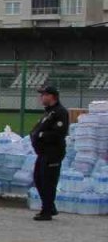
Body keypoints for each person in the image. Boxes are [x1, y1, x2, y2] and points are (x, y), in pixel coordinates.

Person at [29, 84, 69, 221]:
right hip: (43, 152)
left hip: (53, 152)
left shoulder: (60, 112)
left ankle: (46, 211)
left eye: (44, 95)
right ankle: (49, 206)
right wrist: (34, 134)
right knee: (38, 178)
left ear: (52, 96)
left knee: (48, 181)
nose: (41, 97)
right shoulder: (49, 111)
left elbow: (59, 133)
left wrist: (40, 135)